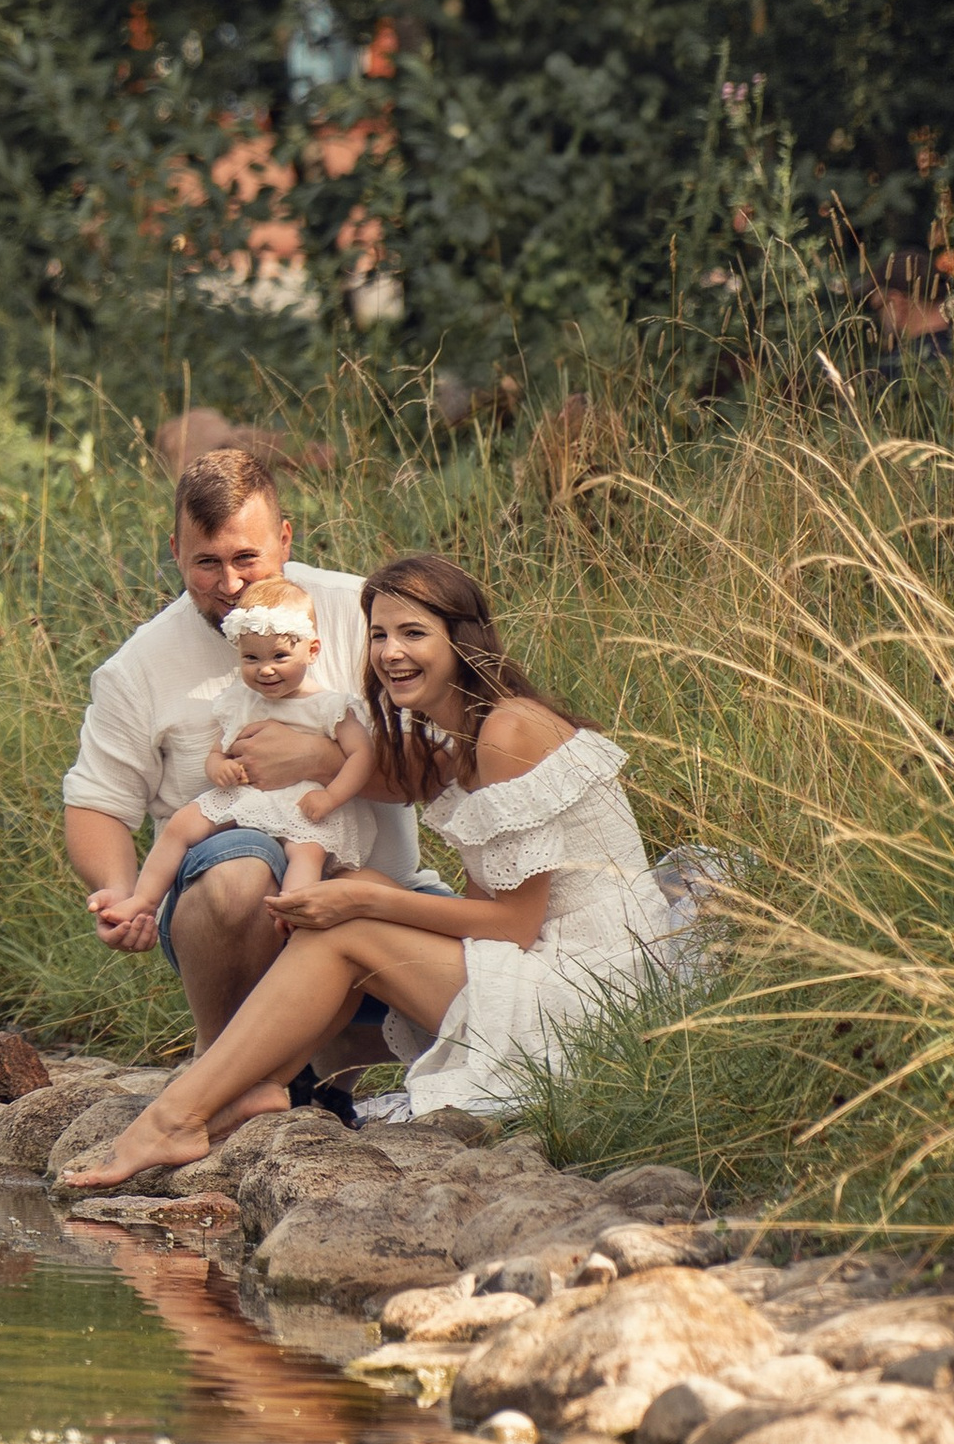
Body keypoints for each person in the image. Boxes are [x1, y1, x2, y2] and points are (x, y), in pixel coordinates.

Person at [62, 552, 676, 1189]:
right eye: (379, 635)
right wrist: (359, 887)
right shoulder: (466, 737)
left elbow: (513, 927)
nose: (390, 652)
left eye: (414, 633)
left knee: (348, 921)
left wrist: (364, 905)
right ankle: (259, 1086)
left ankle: (178, 1116)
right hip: (553, 960)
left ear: (462, 640)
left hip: (590, 990)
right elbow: (488, 906)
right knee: (354, 890)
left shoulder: (508, 732)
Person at [62, 450, 420, 1091]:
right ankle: (223, 1069)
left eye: (246, 558)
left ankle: (324, 1077)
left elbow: (444, 768)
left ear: (285, 539)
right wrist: (121, 893)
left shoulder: (365, 615)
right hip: (227, 920)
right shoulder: (137, 667)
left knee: (495, 991)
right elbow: (96, 804)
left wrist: (322, 761)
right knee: (239, 869)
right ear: (176, 552)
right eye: (206, 562)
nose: (229, 585)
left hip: (370, 897)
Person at [102, 575, 380, 949]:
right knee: (182, 824)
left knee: (306, 852)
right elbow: (219, 749)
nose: (265, 669)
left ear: (312, 650)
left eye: (280, 657)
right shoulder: (240, 701)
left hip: (304, 800)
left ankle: (293, 913)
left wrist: (332, 797)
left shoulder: (329, 705)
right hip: (248, 795)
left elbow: (362, 755)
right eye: (251, 658)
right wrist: (218, 767)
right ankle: (144, 900)